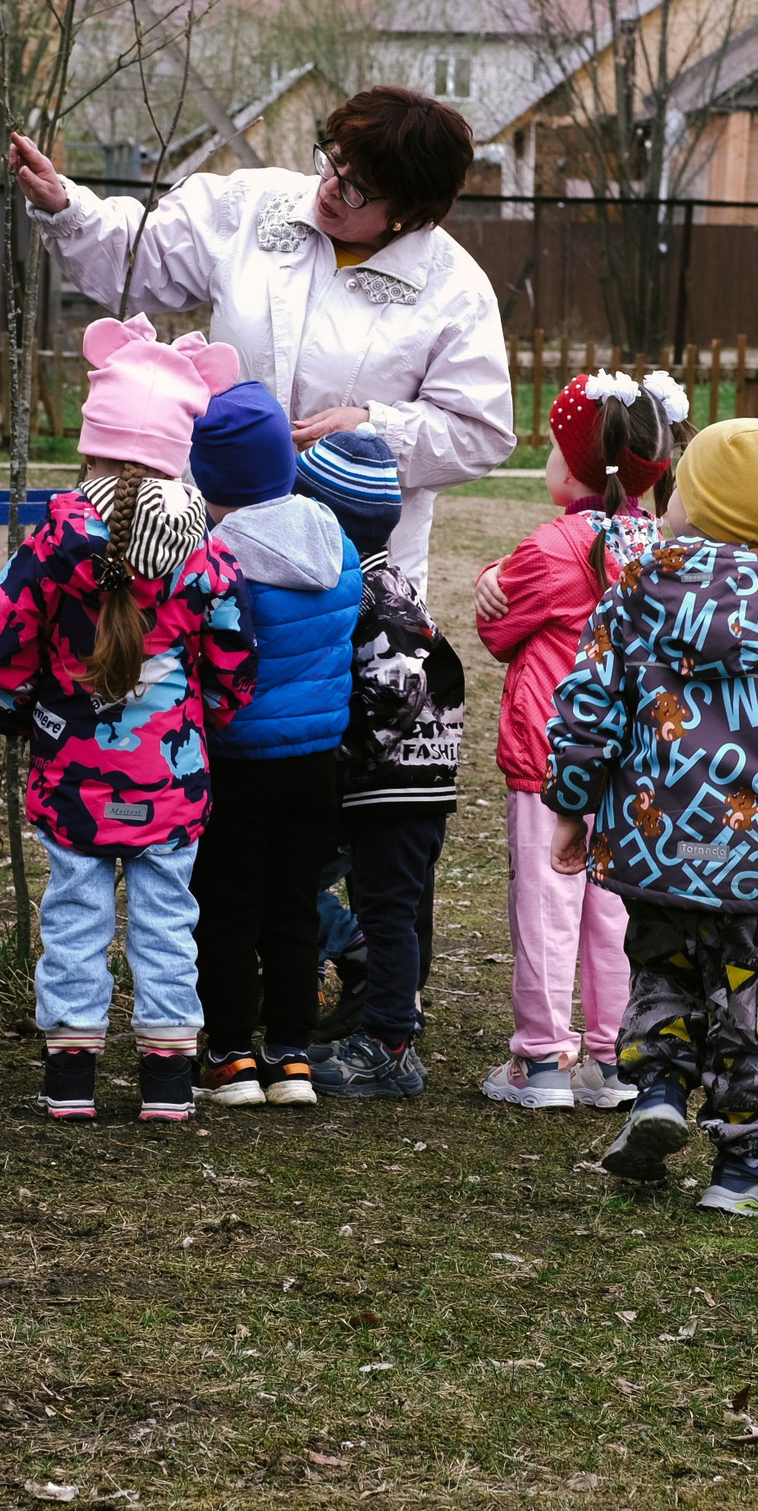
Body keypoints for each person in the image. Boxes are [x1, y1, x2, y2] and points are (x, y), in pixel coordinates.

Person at [545, 417, 758, 1218]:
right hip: (756, 864)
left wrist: (572, 805)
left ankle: (658, 1092)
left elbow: (589, 705)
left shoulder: (633, 592)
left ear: (695, 501)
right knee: (750, 1002)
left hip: (653, 846)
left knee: (661, 970)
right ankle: (744, 1167)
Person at [8, 85, 515, 594]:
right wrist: (67, 208)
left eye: (357, 188)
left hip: (353, 571)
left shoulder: (454, 291)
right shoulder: (253, 206)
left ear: (405, 211)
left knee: (323, 649)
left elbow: (479, 432)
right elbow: (143, 257)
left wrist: (371, 428)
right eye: (334, 161)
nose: (331, 187)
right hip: (210, 533)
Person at [0, 315, 256, 1124]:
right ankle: (167, 1081)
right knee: (169, 921)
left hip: (73, 778)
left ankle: (70, 1076)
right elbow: (234, 660)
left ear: (92, 447)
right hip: (171, 776)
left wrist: (14, 711)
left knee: (74, 915)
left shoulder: (48, 546)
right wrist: (211, 717)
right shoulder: (207, 553)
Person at [473, 371, 685, 1112]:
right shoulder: (666, 546)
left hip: (551, 758)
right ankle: (613, 1057)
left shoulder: (553, 546)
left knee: (545, 905)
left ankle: (540, 1060)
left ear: (575, 465)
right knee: (616, 911)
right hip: (636, 766)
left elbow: (499, 629)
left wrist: (491, 576)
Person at [187, 377, 362, 1108]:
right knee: (295, 902)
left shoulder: (217, 553)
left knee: (227, 905)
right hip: (317, 758)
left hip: (237, 759)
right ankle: (291, 1055)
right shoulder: (334, 539)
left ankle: (229, 1053)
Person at [295, 428, 464, 1098]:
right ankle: (393, 1033)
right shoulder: (393, 584)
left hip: (394, 784)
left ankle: (389, 1046)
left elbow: (398, 689)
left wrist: (343, 761)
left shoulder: (368, 595)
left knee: (388, 913)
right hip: (418, 779)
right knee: (391, 905)